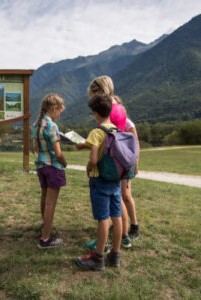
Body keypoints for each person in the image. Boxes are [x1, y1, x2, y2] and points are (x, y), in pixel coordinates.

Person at [79, 76, 133, 250]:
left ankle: (105, 244)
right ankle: (119, 241)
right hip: (118, 165)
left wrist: (89, 163)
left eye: (94, 96)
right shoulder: (119, 109)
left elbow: (103, 144)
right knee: (116, 206)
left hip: (107, 167)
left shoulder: (110, 114)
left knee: (105, 213)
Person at [76, 94, 122, 271]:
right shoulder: (116, 130)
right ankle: (115, 255)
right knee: (116, 217)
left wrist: (88, 167)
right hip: (115, 181)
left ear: (95, 113)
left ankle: (98, 258)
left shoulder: (96, 132)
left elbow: (94, 159)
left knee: (103, 219)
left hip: (100, 180)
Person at [32, 93, 67, 249]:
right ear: (54, 108)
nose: (59, 115)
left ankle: (44, 226)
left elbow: (34, 147)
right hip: (53, 167)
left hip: (41, 166)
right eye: (60, 111)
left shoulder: (36, 125)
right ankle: (45, 239)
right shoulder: (52, 126)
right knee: (51, 203)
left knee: (45, 198)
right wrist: (64, 162)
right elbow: (58, 152)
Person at [123, 117, 140, 240]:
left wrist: (136, 164)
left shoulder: (128, 123)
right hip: (116, 163)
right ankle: (122, 223)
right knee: (118, 196)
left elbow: (136, 145)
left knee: (126, 196)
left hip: (127, 163)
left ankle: (134, 226)